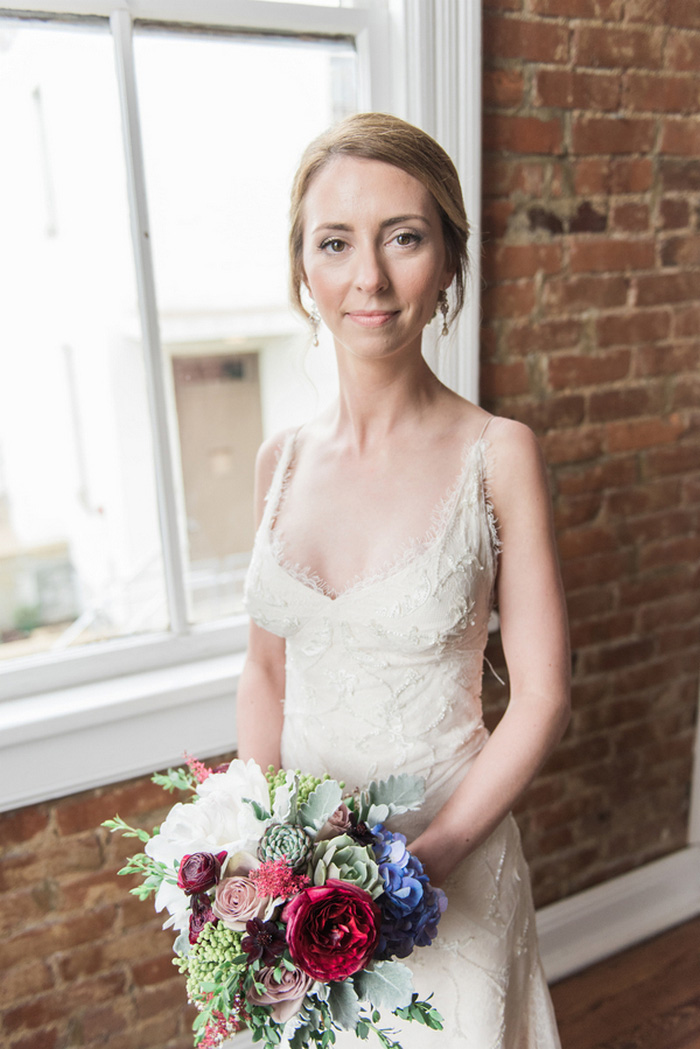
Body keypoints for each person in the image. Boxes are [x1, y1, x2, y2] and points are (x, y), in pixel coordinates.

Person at [238, 112, 570, 1047]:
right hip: (303, 892)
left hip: (449, 869)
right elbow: (267, 674)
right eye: (336, 243)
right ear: (303, 267)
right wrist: (274, 859)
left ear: (449, 263)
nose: (369, 279)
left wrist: (426, 864)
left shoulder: (498, 455)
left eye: (405, 238)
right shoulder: (281, 461)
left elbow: (542, 694)